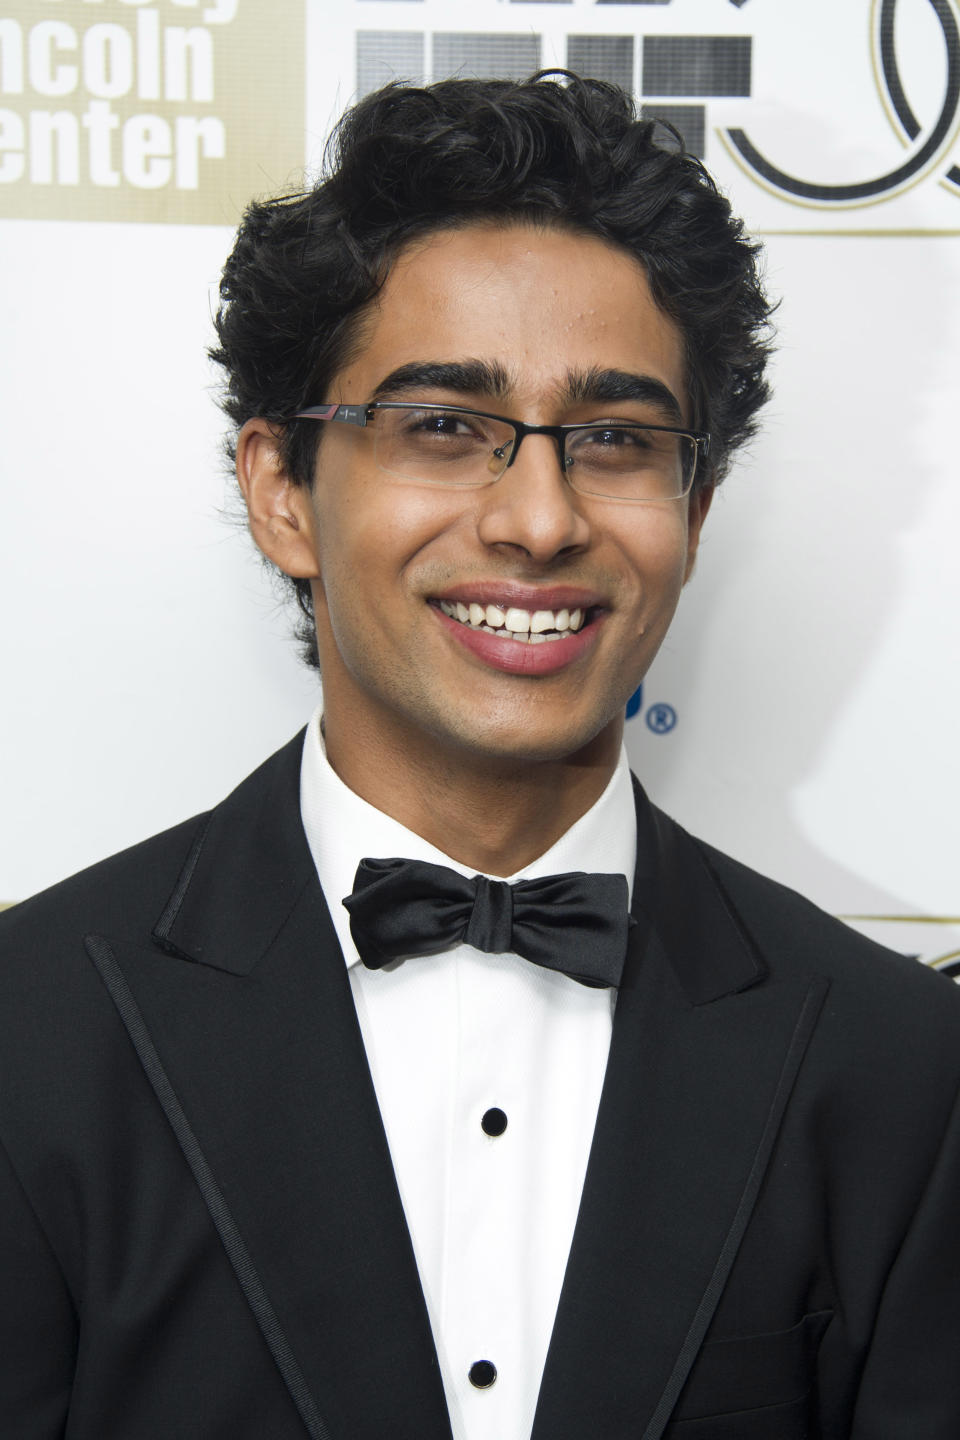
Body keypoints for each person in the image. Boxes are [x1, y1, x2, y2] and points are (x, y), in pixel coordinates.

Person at [1, 73, 958, 1440]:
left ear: (696, 504)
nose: (538, 519)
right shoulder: (30, 1035)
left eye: (616, 441)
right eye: (444, 427)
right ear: (282, 490)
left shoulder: (905, 1070)